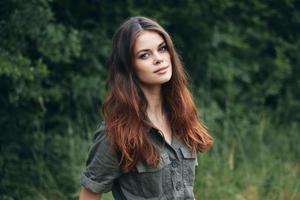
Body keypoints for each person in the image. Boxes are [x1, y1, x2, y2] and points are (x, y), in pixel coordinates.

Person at [79, 16, 213, 200]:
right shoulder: (116, 132)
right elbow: (89, 194)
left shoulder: (182, 117)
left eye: (162, 48)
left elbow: (184, 190)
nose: (158, 59)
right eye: (145, 55)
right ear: (129, 67)